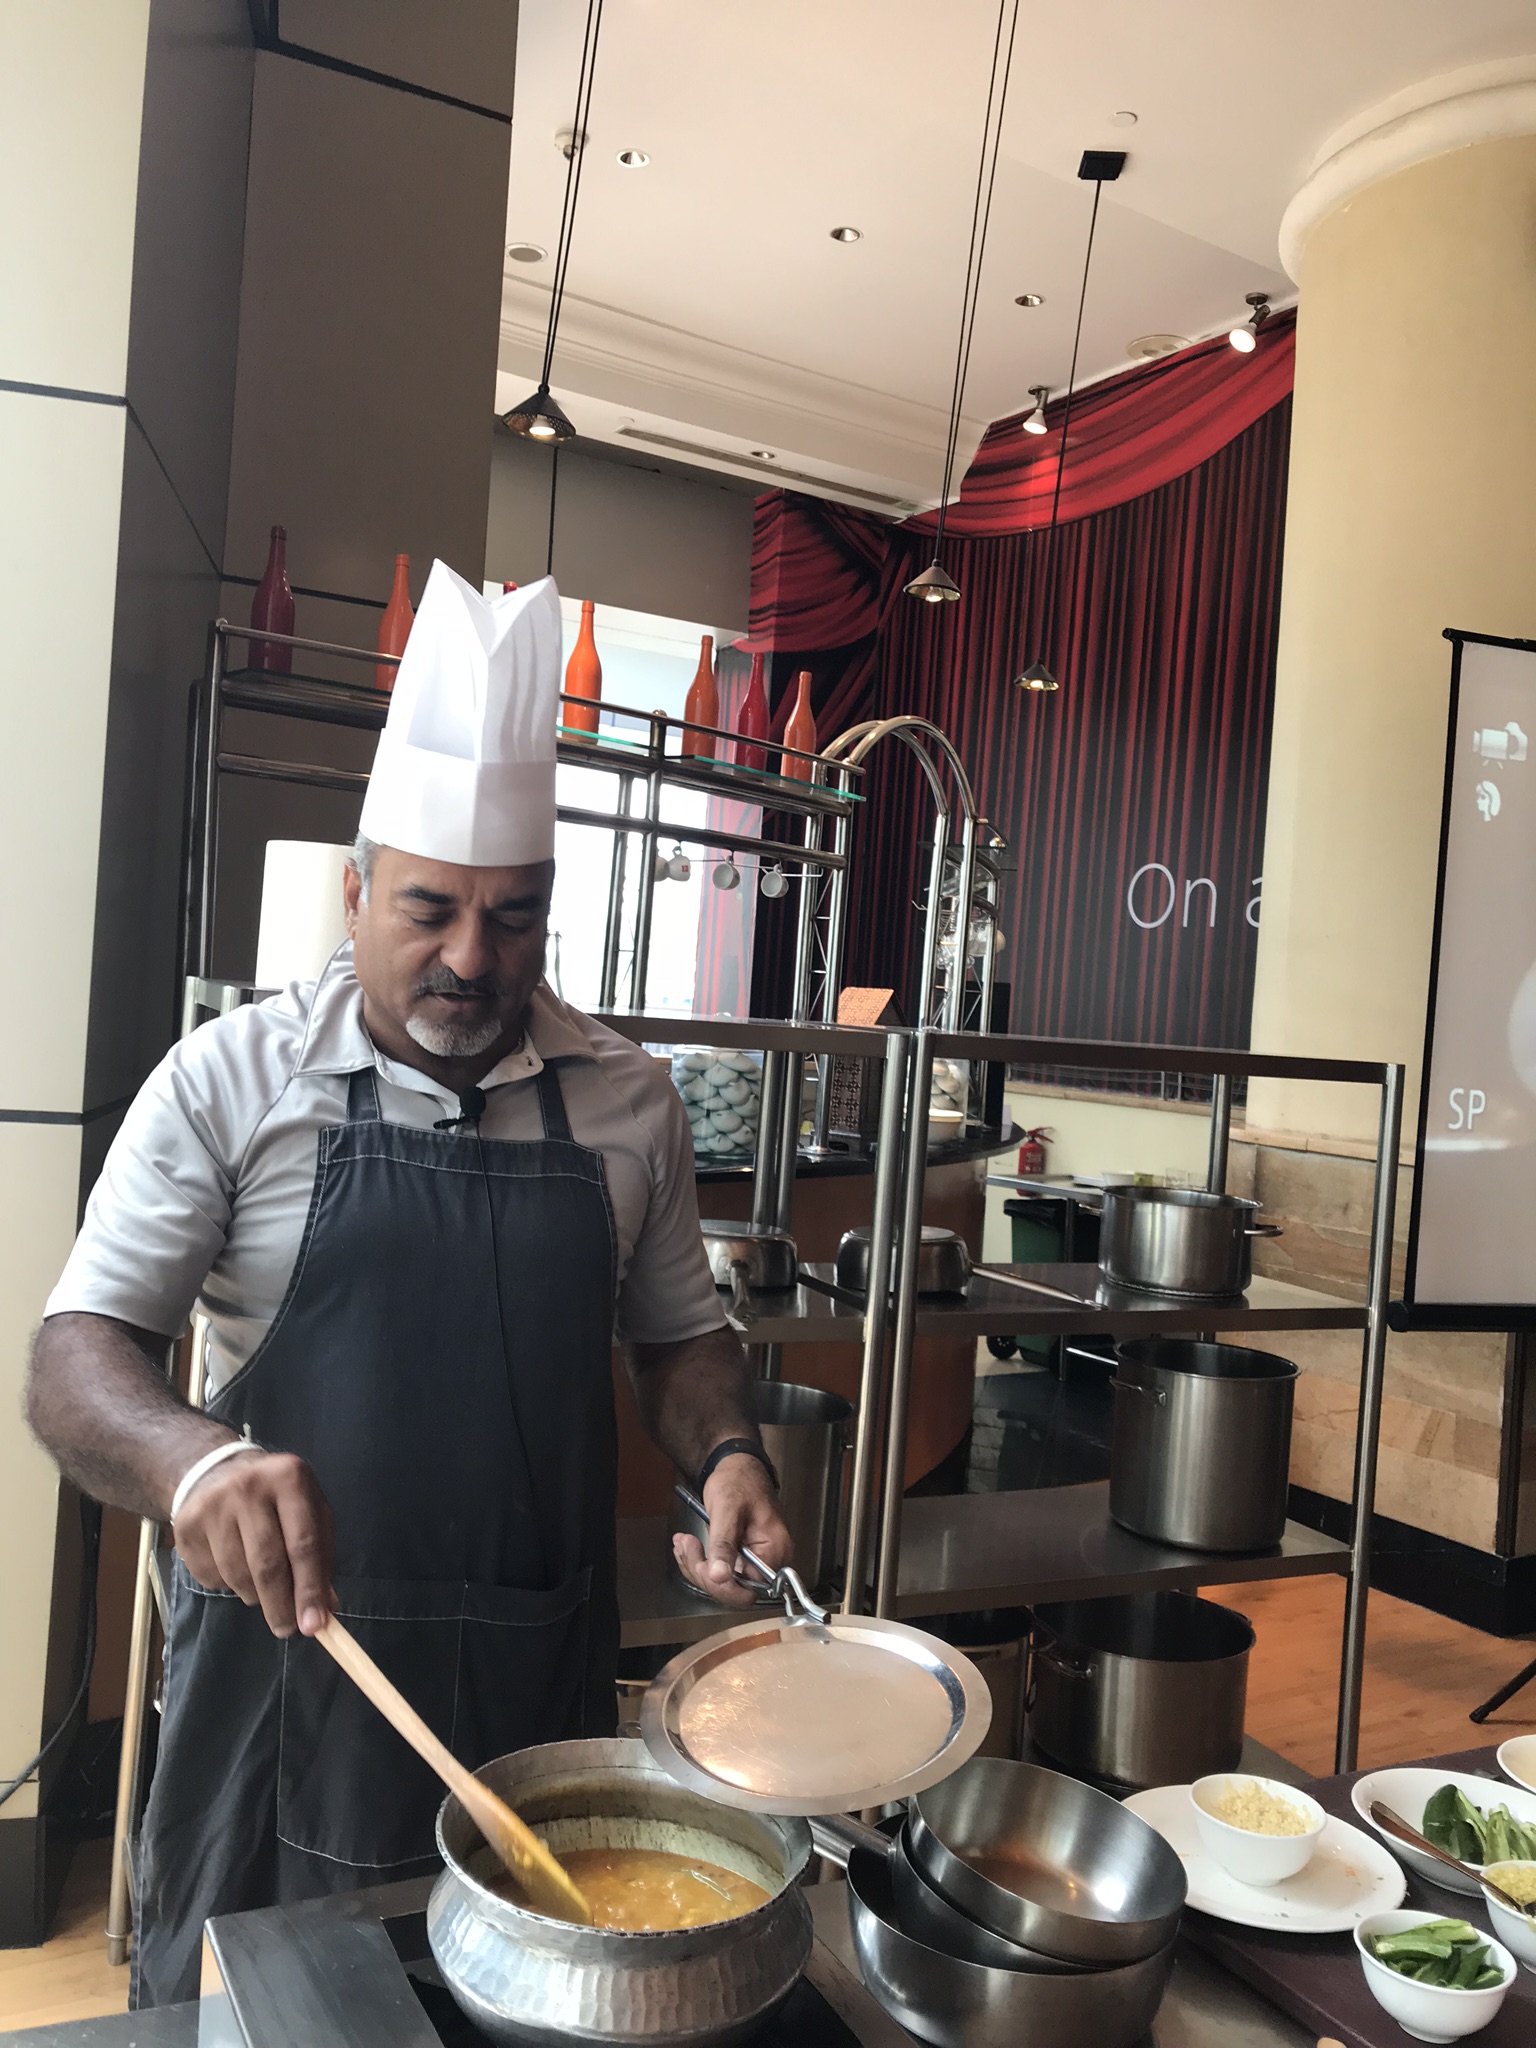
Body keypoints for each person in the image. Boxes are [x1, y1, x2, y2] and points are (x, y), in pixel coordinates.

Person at [26, 567, 788, 2007]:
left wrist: (728, 1449)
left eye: (514, 919)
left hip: (534, 1702)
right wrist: (190, 1461)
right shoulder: (232, 1082)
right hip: (284, 1696)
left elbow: (681, 1338)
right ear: (360, 884)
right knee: (266, 2021)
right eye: (429, 909)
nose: (469, 958)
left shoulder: (629, 1102)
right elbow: (72, 1364)